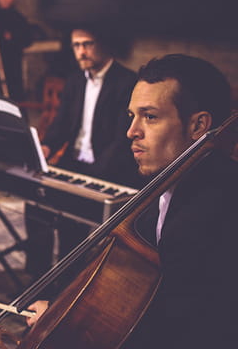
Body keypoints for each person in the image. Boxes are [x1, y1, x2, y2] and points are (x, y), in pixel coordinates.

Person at [27, 54, 237, 349]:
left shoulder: (212, 213)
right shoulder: (165, 180)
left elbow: (185, 331)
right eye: (132, 116)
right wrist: (61, 312)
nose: (131, 132)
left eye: (150, 116)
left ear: (198, 126)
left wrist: (65, 332)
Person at [24, 26, 141, 277]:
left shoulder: (127, 81)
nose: (81, 51)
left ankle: (67, 281)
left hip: (106, 168)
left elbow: (121, 140)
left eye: (87, 44)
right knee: (34, 200)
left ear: (104, 44)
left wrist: (89, 181)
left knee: (72, 218)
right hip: (74, 162)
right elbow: (61, 126)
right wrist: (45, 147)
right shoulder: (75, 80)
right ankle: (36, 278)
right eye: (76, 45)